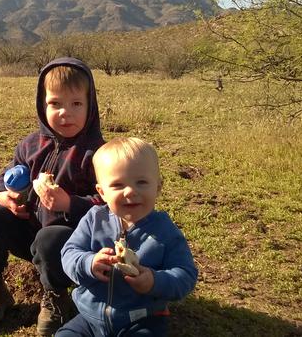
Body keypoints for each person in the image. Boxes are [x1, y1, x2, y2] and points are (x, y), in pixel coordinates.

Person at [0, 57, 105, 336]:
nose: (64, 113)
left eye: (76, 104)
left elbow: (108, 205)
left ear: (90, 106)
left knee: (51, 237)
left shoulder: (97, 154)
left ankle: (56, 294)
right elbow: (8, 175)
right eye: (55, 103)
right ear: (42, 104)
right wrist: (3, 196)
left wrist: (70, 203)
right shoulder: (31, 145)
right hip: (31, 231)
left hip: (73, 244)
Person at [57, 137, 198, 336]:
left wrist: (154, 281)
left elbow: (186, 275)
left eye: (141, 182)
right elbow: (69, 253)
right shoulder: (94, 219)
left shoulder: (165, 232)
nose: (130, 191)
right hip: (90, 317)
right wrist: (88, 263)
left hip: (143, 318)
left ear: (158, 186)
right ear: (102, 192)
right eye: (117, 185)